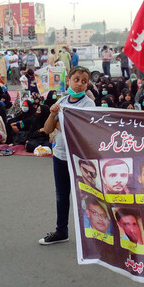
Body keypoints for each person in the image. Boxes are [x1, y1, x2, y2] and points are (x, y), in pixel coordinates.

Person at [39, 66, 95, 245]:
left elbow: (83, 132)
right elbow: (47, 129)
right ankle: (61, 231)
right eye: (76, 79)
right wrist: (53, 115)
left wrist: (59, 125)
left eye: (84, 81)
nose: (79, 84)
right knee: (62, 196)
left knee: (87, 196)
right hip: (60, 156)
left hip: (80, 158)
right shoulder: (61, 101)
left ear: (87, 85)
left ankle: (94, 235)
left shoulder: (89, 104)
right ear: (69, 80)